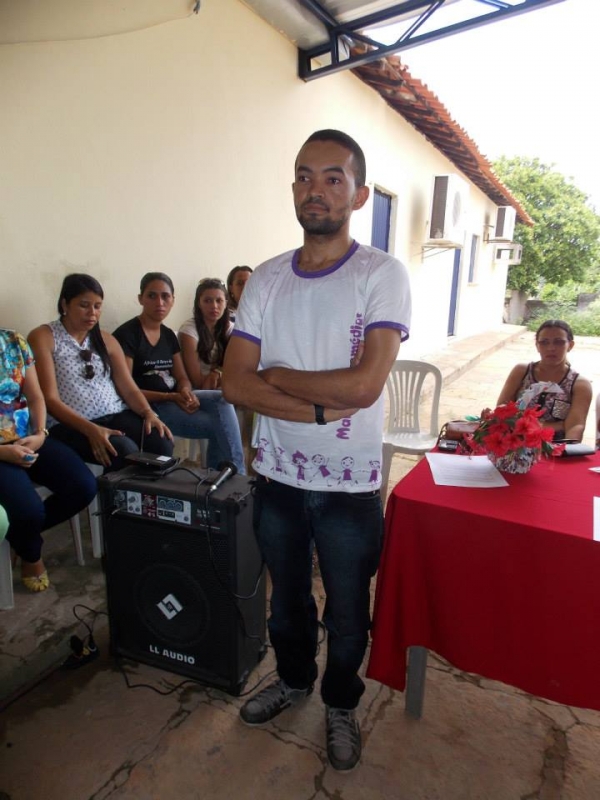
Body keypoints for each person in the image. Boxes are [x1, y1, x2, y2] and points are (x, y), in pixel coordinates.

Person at [222, 129, 411, 771]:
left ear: (358, 194)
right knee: (289, 602)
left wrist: (273, 378)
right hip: (277, 475)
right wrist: (324, 404)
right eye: (304, 175)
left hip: (350, 483)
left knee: (350, 610)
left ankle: (339, 702)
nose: (316, 189)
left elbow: (365, 383)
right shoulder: (268, 277)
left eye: (333, 177)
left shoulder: (381, 274)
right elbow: (231, 381)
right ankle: (296, 680)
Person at [28, 274, 173, 472]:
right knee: (122, 450)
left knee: (161, 442)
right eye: (84, 305)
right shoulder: (44, 337)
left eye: (97, 306)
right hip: (70, 422)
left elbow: (128, 388)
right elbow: (51, 400)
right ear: (65, 304)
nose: (92, 313)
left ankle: (149, 500)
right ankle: (115, 502)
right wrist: (91, 430)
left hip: (113, 413)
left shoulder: (106, 339)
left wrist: (148, 413)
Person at [113, 272, 245, 473]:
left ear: (173, 300)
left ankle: (220, 480)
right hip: (148, 406)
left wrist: (185, 392)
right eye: (152, 296)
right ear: (140, 298)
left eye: (165, 296)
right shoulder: (128, 335)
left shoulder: (167, 335)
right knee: (222, 425)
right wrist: (173, 396)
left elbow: (182, 377)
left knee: (223, 400)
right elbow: (126, 389)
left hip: (173, 399)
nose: (160, 302)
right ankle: (230, 478)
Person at [0, 328, 97, 592]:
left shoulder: (13, 341)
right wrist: (4, 452)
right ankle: (32, 553)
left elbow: (35, 396)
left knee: (83, 486)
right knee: (29, 510)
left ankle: (19, 536)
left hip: (28, 438)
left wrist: (41, 434)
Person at [496, 319, 592, 442]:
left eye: (559, 342)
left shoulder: (579, 384)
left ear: (570, 345)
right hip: (515, 446)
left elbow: (575, 426)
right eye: (544, 342)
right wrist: (558, 425)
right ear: (537, 345)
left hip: (554, 450)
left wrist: (568, 452)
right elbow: (501, 411)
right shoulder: (522, 372)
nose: (551, 348)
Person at [179, 279, 232, 390]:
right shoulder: (188, 330)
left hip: (225, 386)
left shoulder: (231, 328)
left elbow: (240, 368)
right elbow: (198, 382)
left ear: (226, 303)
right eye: (207, 301)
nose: (214, 306)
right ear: (199, 303)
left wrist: (218, 372)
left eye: (219, 300)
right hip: (198, 392)